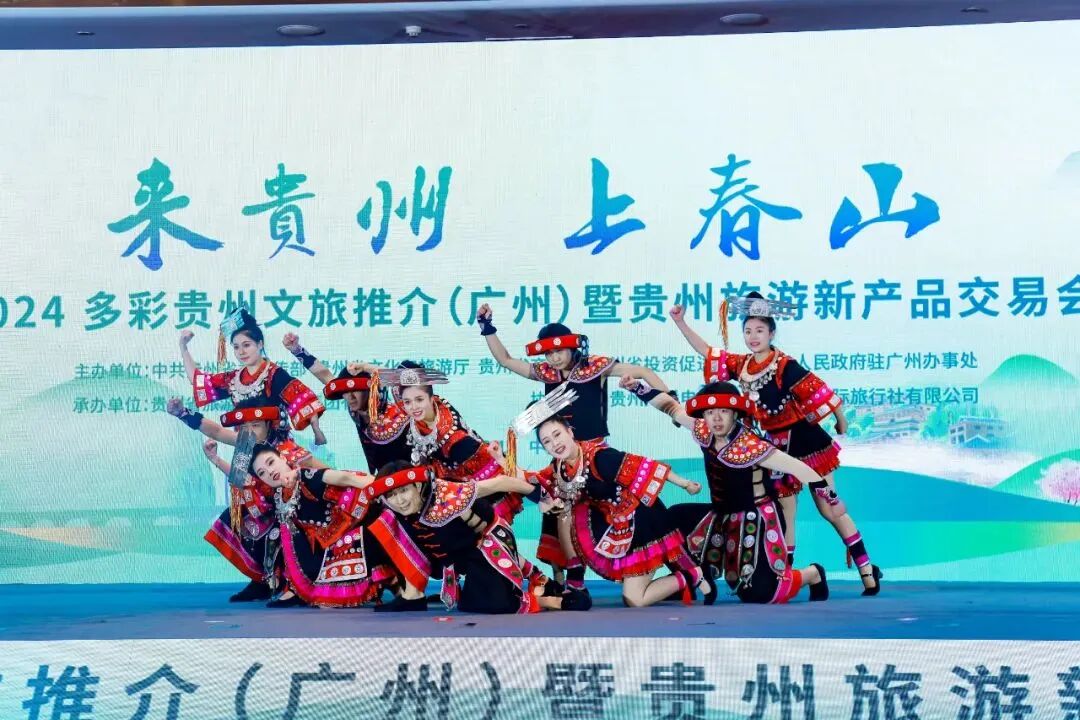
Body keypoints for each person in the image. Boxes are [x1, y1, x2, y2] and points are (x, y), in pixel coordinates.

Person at [670, 294, 881, 595]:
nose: (753, 337)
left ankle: (867, 569)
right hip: (776, 447)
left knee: (830, 509)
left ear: (771, 333)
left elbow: (819, 390)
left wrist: (841, 421)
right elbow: (707, 352)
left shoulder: (784, 366)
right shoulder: (742, 365)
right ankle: (785, 574)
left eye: (759, 330)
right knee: (785, 512)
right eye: (748, 331)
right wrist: (680, 323)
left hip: (808, 444)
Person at [475, 307, 683, 584]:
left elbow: (643, 371)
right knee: (553, 505)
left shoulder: (595, 367)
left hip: (596, 456)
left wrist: (672, 403)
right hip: (564, 459)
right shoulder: (546, 373)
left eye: (559, 351)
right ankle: (565, 581)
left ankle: (678, 565)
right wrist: (487, 326)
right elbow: (505, 359)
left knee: (633, 501)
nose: (554, 358)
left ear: (573, 346)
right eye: (548, 354)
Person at [521, 412, 715, 608]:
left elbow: (647, 467)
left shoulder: (600, 457)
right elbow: (537, 481)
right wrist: (508, 466)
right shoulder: (559, 467)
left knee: (634, 600)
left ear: (570, 432)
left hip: (642, 522)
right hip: (612, 523)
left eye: (557, 434)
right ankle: (575, 580)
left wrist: (685, 484)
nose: (555, 443)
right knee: (564, 510)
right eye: (547, 441)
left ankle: (693, 575)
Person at [666, 382, 831, 604]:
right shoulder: (704, 430)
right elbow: (670, 407)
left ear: (735, 414)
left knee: (760, 595)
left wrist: (830, 496)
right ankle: (690, 579)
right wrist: (637, 386)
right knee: (669, 521)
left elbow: (798, 468)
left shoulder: (751, 445)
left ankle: (812, 574)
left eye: (723, 411)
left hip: (757, 518)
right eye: (710, 412)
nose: (716, 418)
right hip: (720, 515)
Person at [367, 461, 591, 614]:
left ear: (417, 485)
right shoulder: (394, 508)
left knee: (489, 604)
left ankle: (549, 598)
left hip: (486, 543)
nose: (400, 501)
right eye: (391, 495)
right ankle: (411, 597)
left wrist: (543, 498)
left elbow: (502, 482)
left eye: (404, 491)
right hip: (451, 554)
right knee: (379, 528)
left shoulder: (449, 493)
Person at [168, 396, 326, 602]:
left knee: (280, 531)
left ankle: (295, 586)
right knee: (235, 517)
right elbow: (218, 433)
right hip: (265, 509)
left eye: (256, 425)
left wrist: (351, 481)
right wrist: (183, 414)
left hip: (293, 512)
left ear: (270, 424)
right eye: (244, 426)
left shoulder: (286, 448)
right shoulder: (246, 443)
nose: (249, 431)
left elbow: (323, 471)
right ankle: (262, 581)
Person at [281, 334, 412, 473]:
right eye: (345, 391)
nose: (350, 397)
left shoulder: (401, 409)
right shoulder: (356, 407)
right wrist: (296, 350)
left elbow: (406, 379)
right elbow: (324, 375)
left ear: (370, 390)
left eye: (356, 390)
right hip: (382, 477)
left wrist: (365, 367)